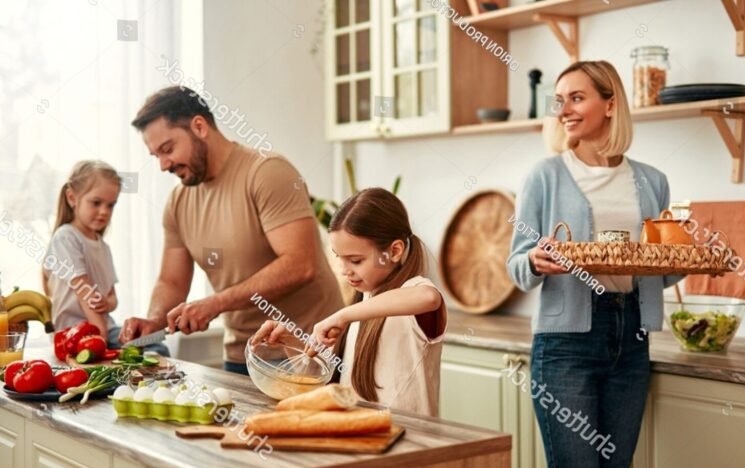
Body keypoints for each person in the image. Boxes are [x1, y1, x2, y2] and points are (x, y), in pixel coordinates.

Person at [507, 61, 681, 468]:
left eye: (577, 97)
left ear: (610, 103)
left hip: (632, 339)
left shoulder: (652, 181)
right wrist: (536, 260)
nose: (564, 108)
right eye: (559, 100)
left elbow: (657, 269)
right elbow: (516, 262)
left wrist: (685, 252)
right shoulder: (544, 175)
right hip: (566, 345)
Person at [121, 86, 343, 373]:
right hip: (243, 356)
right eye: (156, 156)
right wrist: (154, 320)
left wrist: (215, 303)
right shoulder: (178, 202)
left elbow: (300, 264)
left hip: (308, 351)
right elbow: (171, 282)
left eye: (168, 149)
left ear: (199, 126)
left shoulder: (267, 172)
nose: (164, 165)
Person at [252, 188, 446, 416]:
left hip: (412, 441)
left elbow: (429, 297)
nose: (345, 271)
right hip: (364, 437)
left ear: (393, 251)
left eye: (355, 260)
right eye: (339, 257)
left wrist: (343, 315)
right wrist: (291, 343)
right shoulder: (363, 302)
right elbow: (328, 385)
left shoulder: (413, 295)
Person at [43, 161, 169, 355]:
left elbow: (112, 297)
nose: (104, 211)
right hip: (75, 332)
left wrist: (108, 303)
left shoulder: (103, 246)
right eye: (96, 203)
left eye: (111, 205)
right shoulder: (66, 237)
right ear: (72, 198)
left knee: (155, 344)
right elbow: (84, 291)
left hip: (105, 328)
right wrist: (100, 338)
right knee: (154, 350)